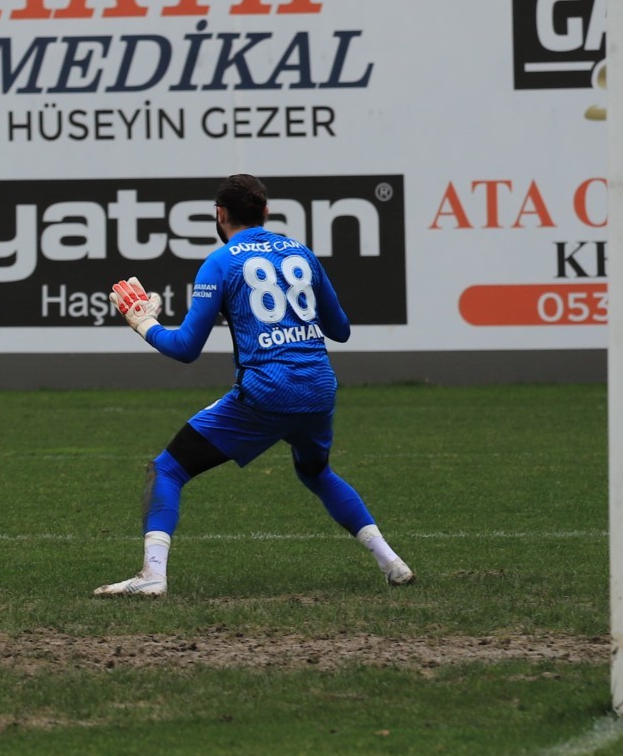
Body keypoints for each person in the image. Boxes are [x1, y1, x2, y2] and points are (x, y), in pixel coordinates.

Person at [98, 173, 414, 597]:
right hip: (318, 387)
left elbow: (186, 348)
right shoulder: (301, 252)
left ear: (220, 214)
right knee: (316, 471)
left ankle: (153, 575)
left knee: (167, 468)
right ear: (266, 212)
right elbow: (340, 330)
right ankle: (391, 562)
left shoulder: (221, 262)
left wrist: (144, 324)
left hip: (267, 392)